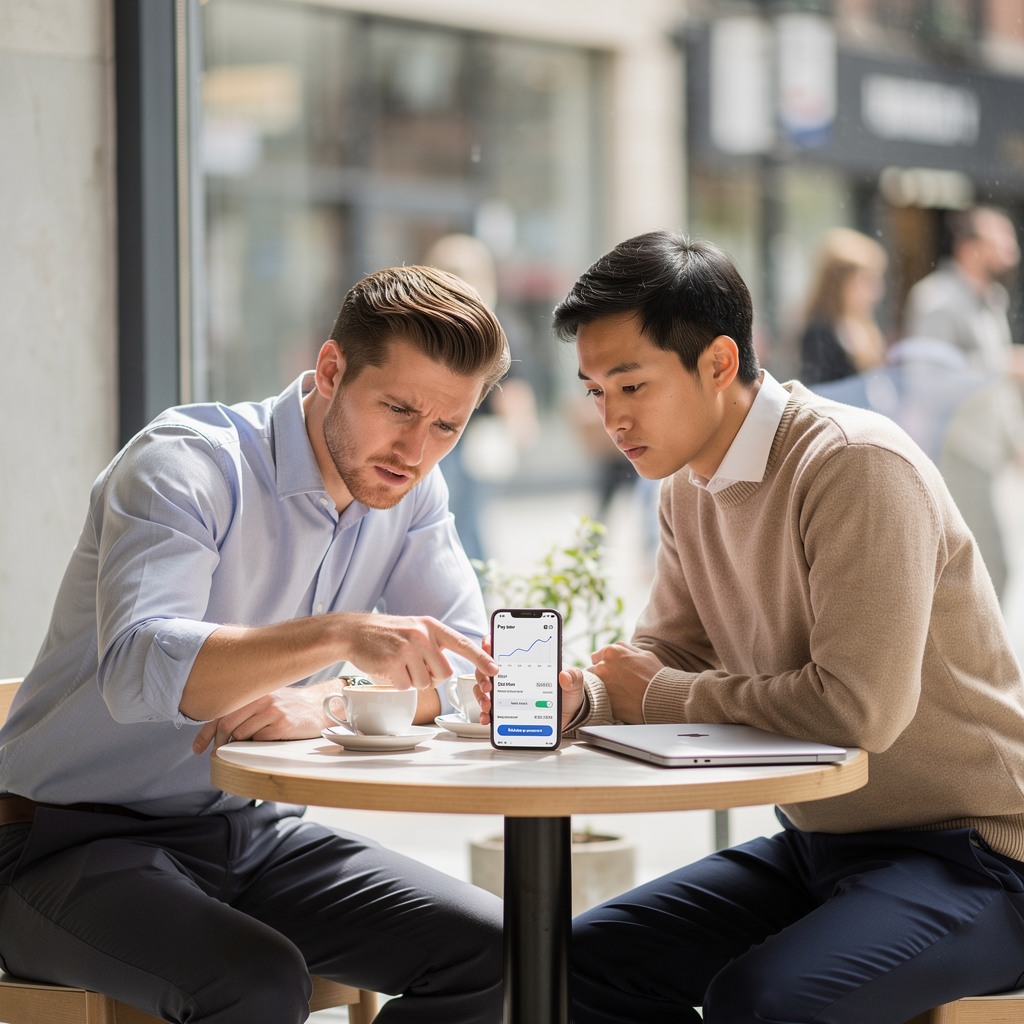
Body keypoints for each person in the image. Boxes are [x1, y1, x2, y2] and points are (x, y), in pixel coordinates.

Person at [501, 230, 1024, 1023]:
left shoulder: (853, 465)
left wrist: (660, 696)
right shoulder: (686, 488)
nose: (610, 417)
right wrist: (587, 696)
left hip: (974, 855)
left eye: (631, 386)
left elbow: (859, 710)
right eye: (594, 391)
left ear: (716, 363)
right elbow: (667, 653)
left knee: (762, 1003)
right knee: (574, 967)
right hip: (822, 848)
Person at [0, 265, 510, 1023]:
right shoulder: (185, 465)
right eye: (397, 408)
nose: (415, 449)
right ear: (331, 370)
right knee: (259, 983)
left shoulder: (410, 496)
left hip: (250, 832)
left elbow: (468, 675)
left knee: (502, 950)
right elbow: (140, 672)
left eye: (447, 426)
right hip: (62, 846)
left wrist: (330, 701)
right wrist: (339, 634)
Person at [814, 334, 1024, 600]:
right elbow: (931, 379)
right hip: (956, 449)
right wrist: (1002, 363)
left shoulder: (988, 307)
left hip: (959, 450)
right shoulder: (940, 306)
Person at [423, 233, 538, 563]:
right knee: (458, 524)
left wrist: (519, 424)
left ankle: (470, 595)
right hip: (451, 439)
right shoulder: (487, 323)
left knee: (458, 524)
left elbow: (511, 384)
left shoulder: (491, 326)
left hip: (465, 442)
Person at [903, 205, 1021, 377]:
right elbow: (929, 376)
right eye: (999, 245)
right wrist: (1006, 365)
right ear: (968, 249)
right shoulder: (936, 298)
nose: (1012, 255)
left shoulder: (995, 296)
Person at [798, 226, 888, 385]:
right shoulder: (819, 332)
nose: (875, 292)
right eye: (866, 281)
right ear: (841, 283)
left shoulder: (864, 327)